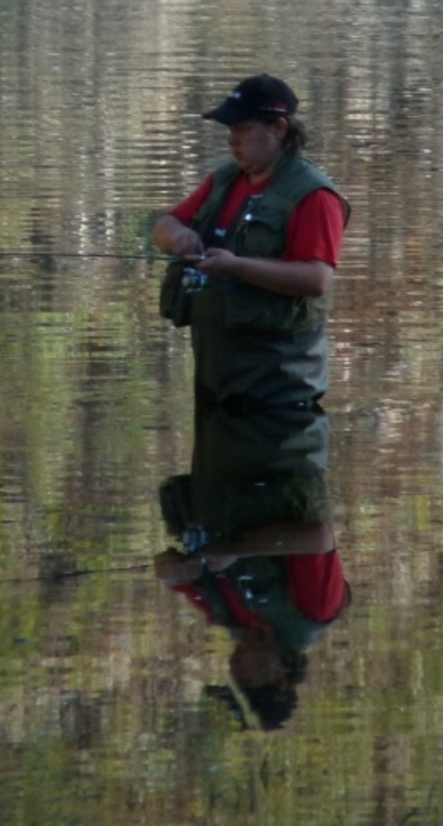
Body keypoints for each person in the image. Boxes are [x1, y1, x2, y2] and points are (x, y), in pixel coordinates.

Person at [152, 74, 350, 417]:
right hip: (219, 385)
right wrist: (178, 238)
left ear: (278, 128)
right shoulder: (225, 180)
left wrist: (237, 266)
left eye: (243, 129)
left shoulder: (314, 195)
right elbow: (165, 225)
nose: (232, 140)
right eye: (230, 131)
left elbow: (317, 279)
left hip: (279, 396)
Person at [153, 404, 351, 731]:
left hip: (218, 430)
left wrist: (172, 570)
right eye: (246, 681)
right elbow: (319, 539)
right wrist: (235, 549)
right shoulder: (312, 613)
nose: (233, 669)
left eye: (232, 680)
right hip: (278, 427)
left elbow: (173, 576)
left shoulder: (225, 616)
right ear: (281, 678)